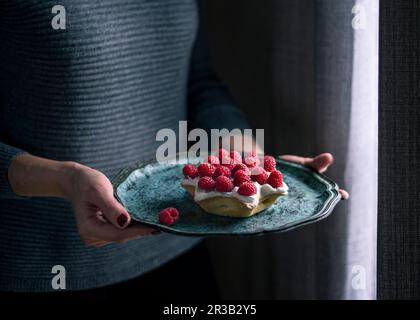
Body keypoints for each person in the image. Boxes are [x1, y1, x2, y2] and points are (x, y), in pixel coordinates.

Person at [0, 0, 347, 300]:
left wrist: (244, 159)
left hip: (176, 244)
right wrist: (64, 179)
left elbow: (199, 82)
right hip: (44, 268)